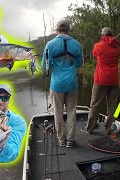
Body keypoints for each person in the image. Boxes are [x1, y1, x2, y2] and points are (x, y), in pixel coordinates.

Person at [41, 19, 83, 148]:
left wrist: (55, 63)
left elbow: (45, 65)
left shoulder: (50, 44)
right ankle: (70, 140)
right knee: (71, 112)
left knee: (58, 113)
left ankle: (62, 140)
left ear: (57, 30)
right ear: (69, 29)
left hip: (57, 85)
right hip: (72, 84)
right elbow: (79, 63)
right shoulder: (76, 44)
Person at [81, 27, 120, 135]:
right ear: (111, 35)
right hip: (113, 80)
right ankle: (109, 130)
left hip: (101, 80)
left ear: (102, 35)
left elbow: (94, 54)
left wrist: (103, 41)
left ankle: (89, 128)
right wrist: (111, 41)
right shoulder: (117, 46)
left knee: (94, 105)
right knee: (112, 107)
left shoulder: (98, 45)